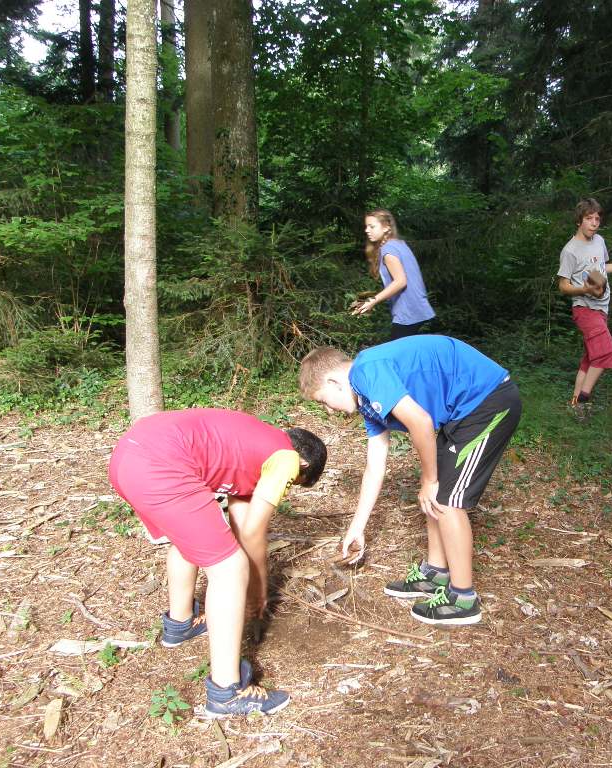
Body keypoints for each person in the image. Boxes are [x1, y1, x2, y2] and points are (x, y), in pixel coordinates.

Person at [107, 409, 327, 717]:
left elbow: (241, 525)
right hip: (160, 465)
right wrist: (256, 592)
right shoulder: (287, 459)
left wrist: (248, 575)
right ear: (303, 465)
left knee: (193, 539)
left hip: (129, 455)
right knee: (229, 569)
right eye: (295, 483)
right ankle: (226, 693)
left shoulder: (253, 448)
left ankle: (180, 624)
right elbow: (254, 534)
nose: (287, 488)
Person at [298, 335, 521, 626]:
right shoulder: (366, 399)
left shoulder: (366, 371)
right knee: (435, 495)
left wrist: (429, 479)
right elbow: (374, 466)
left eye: (323, 401)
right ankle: (435, 573)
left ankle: (463, 599)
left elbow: (421, 422)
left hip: (487, 401)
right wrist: (357, 527)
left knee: (447, 500)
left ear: (333, 382)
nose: (329, 410)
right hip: (462, 413)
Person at [556, 198, 612, 406]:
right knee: (607, 352)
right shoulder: (570, 250)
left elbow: (602, 268)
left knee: (591, 359)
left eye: (597, 218)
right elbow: (563, 286)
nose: (594, 223)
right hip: (585, 309)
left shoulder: (599, 241)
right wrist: (584, 289)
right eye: (589, 218)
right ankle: (583, 400)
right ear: (579, 221)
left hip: (601, 309)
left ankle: (574, 404)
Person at [351, 209, 436, 340]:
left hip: (409, 312)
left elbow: (400, 281)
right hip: (417, 309)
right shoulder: (398, 244)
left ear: (386, 227)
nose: (367, 230)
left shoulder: (388, 249)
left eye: (372, 226)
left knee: (398, 351)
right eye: (366, 226)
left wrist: (373, 301)